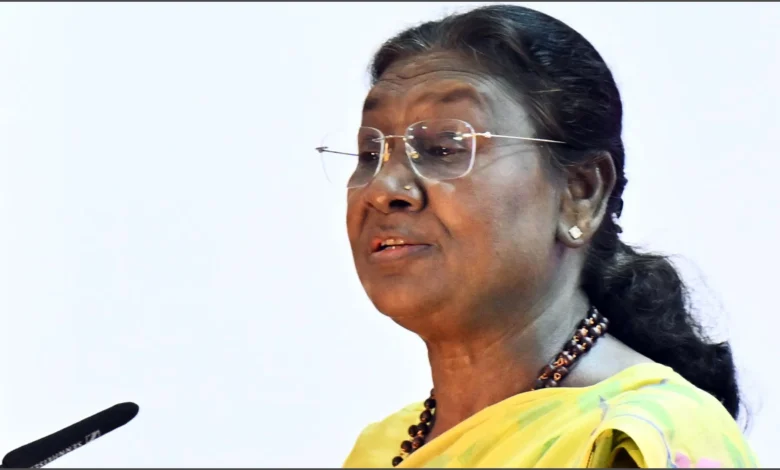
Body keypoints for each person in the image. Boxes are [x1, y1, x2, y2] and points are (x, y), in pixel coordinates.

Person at [316, 4, 758, 468]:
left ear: (580, 193)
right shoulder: (381, 448)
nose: (383, 189)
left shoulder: (636, 436)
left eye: (445, 148)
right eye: (370, 154)